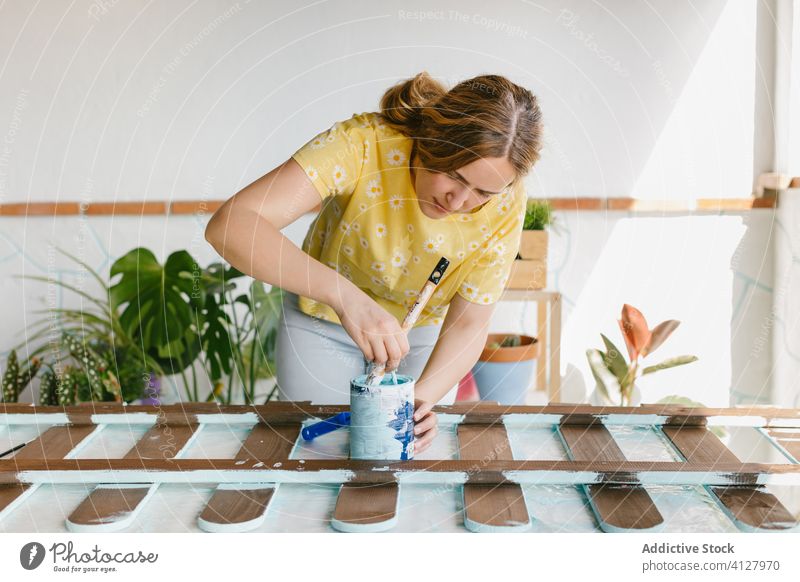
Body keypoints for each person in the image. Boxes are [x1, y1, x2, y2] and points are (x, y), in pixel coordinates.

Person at [205, 71, 543, 453]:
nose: (459, 200)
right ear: (432, 137)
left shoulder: (508, 200)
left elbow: (469, 324)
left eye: (482, 192)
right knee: (319, 452)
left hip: (421, 336)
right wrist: (345, 297)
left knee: (404, 454)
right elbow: (230, 226)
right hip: (321, 321)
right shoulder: (363, 143)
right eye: (452, 174)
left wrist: (424, 399)